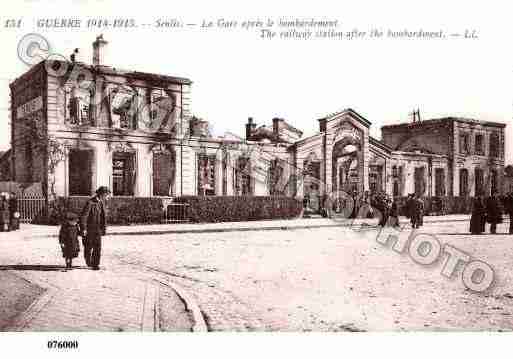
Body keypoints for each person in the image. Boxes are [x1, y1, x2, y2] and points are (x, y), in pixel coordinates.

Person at [80, 186, 110, 270]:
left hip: (98, 229)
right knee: (88, 247)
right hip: (89, 229)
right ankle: (88, 259)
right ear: (101, 194)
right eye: (106, 194)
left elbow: (103, 217)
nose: (107, 196)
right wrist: (84, 228)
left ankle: (95, 264)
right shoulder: (90, 202)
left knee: (98, 247)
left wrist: (104, 228)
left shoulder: (102, 203)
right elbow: (84, 216)